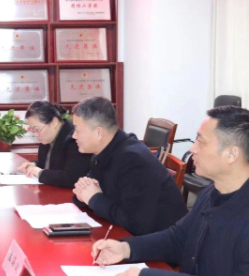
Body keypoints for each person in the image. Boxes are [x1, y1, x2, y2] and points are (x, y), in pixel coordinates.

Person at [92, 105, 249, 276]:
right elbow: (178, 239)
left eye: (201, 142)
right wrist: (126, 248)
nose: (192, 148)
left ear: (232, 154)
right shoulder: (212, 193)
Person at [71, 97, 187, 236]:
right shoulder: (105, 151)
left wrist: (94, 198)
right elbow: (88, 191)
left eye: (77, 130)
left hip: (163, 242)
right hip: (130, 234)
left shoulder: (133, 161)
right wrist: (82, 194)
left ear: (98, 133)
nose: (73, 136)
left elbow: (136, 224)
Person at [17, 101, 92, 188]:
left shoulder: (74, 139)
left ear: (54, 122)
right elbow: (49, 164)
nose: (36, 135)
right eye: (33, 130)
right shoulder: (47, 137)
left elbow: (71, 178)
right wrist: (34, 164)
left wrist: (39, 172)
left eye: (37, 129)